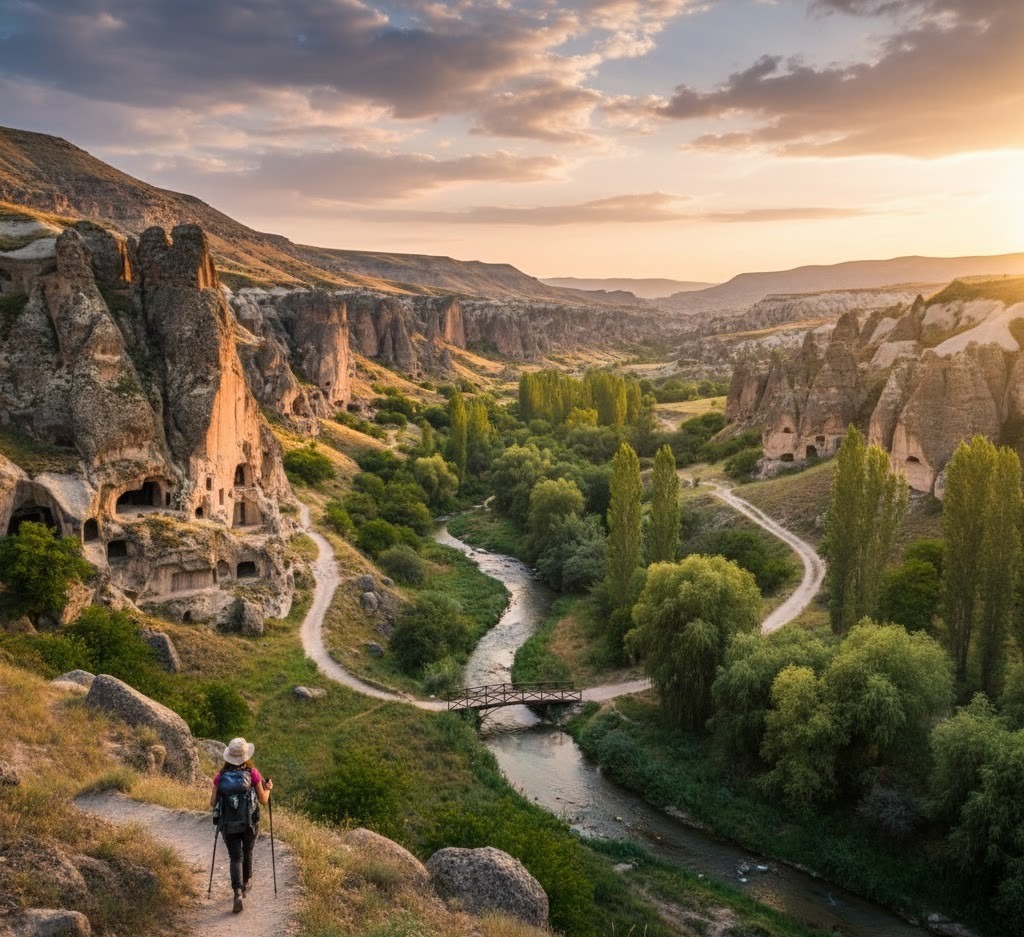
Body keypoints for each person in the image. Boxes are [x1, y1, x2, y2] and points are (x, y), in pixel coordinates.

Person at [210, 736, 274, 914]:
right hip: (248, 823)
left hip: (228, 824)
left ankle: (237, 892)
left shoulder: (220, 776)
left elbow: (212, 802)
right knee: (247, 852)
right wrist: (268, 789)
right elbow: (262, 800)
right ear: (246, 756)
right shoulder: (253, 774)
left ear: (228, 756)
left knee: (235, 857)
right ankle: (246, 883)